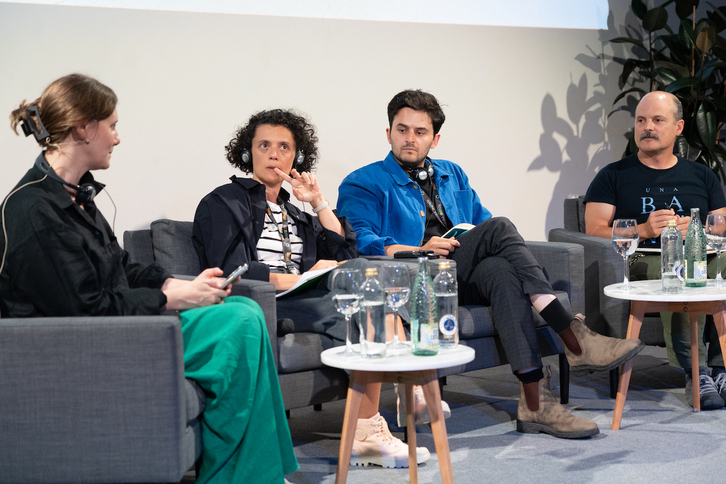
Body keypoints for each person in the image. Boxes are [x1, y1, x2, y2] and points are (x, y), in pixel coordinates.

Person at [0, 74, 298, 484]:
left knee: (243, 310)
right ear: (84, 128)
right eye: (112, 126)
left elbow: (121, 267)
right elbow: (86, 309)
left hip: (120, 326)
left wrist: (178, 285)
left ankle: (252, 474)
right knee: (241, 321)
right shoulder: (34, 210)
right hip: (78, 346)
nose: (117, 138)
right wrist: (174, 300)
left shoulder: (75, 196)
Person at [337, 89, 645, 439]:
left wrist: (475, 239)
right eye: (402, 130)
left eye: (420, 132)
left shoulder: (452, 174)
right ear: (388, 133)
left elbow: (480, 225)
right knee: (500, 228)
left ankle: (535, 402)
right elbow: (359, 240)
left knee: (501, 269)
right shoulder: (363, 181)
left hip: (458, 274)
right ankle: (572, 337)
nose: (410, 138)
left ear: (434, 139)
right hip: (414, 276)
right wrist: (419, 249)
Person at [192, 109, 434, 468]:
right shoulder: (224, 202)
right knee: (364, 288)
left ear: (297, 157)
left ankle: (373, 423)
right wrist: (304, 278)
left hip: (307, 300)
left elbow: (346, 253)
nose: (274, 154)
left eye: (284, 147)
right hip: (264, 303)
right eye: (264, 146)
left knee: (368, 290)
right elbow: (232, 271)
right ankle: (401, 392)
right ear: (247, 153)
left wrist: (318, 202)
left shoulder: (296, 214)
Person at [584, 91, 726, 409]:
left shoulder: (701, 174)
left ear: (678, 127)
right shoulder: (613, 175)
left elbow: (722, 223)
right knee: (677, 270)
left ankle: (722, 367)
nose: (647, 127)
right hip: (641, 258)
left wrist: (698, 230)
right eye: (641, 120)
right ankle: (696, 372)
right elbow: (593, 229)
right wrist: (644, 230)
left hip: (701, 255)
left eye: (657, 120)